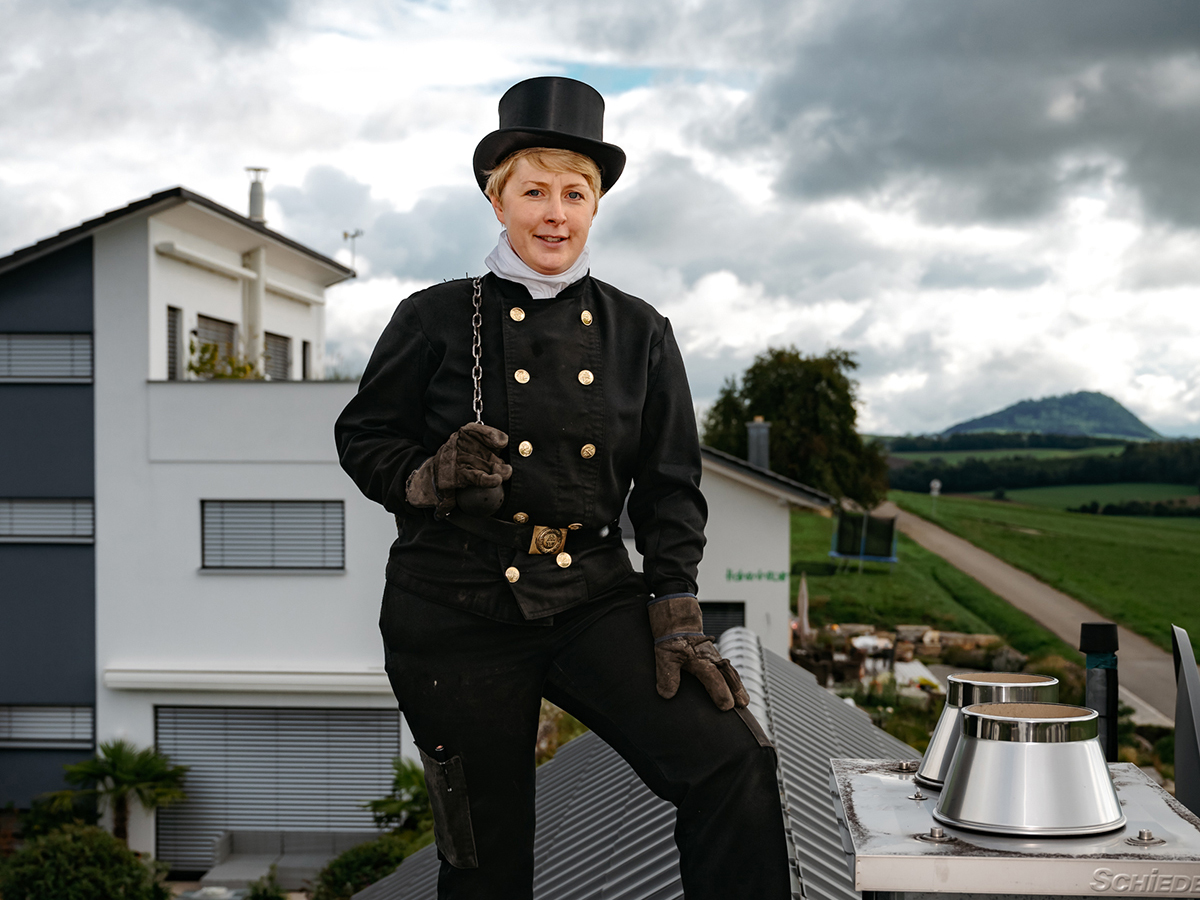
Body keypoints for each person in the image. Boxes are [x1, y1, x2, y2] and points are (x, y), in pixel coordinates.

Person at [334, 76, 790, 900]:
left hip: (591, 594)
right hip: (454, 607)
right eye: (533, 190)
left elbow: (671, 484)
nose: (555, 211)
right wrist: (426, 478)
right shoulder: (432, 317)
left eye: (574, 192)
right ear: (496, 198)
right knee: (486, 856)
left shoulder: (639, 330)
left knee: (734, 761)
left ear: (597, 203)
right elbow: (363, 438)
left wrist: (676, 604)